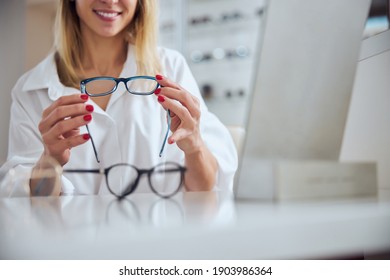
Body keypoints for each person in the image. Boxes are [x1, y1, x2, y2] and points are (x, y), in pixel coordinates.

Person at [2, 0, 237, 196]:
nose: (111, 0)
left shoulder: (171, 68)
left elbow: (207, 191)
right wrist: (50, 160)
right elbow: (26, 206)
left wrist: (194, 147)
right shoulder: (31, 90)